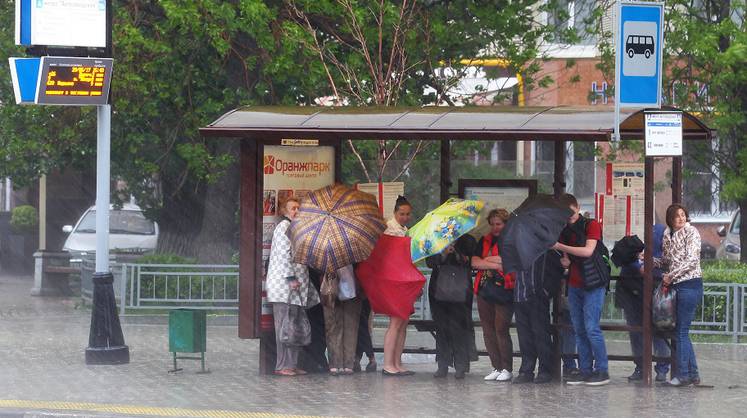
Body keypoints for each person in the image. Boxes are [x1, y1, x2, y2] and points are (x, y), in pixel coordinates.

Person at [553, 194, 610, 386]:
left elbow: (588, 251)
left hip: (594, 283)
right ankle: (585, 370)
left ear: (577, 207)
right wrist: (565, 258)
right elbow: (567, 257)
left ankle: (602, 370)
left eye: (571, 211)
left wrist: (561, 246)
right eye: (564, 213)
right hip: (575, 283)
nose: (568, 215)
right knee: (579, 329)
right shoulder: (564, 229)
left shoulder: (591, 224)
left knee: (592, 327)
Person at [265, 196, 321, 376]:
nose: (296, 211)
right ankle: (283, 365)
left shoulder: (296, 229)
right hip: (285, 288)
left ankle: (293, 364)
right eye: (293, 208)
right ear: (284, 211)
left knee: (295, 326)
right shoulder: (283, 228)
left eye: (298, 208)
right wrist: (290, 278)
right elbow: (283, 256)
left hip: (298, 289)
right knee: (284, 326)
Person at [654, 204, 703, 387]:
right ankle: (693, 375)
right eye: (677, 216)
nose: (681, 218)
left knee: (681, 331)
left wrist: (670, 276)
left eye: (683, 215)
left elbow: (692, 260)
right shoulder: (668, 234)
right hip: (676, 286)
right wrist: (650, 260)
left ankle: (683, 375)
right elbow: (668, 260)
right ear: (670, 219)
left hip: (690, 284)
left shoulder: (692, 232)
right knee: (681, 331)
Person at [615, 223, 670, 382]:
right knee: (641, 330)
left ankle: (657, 368)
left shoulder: (661, 230)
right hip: (635, 288)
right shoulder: (632, 226)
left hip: (652, 286)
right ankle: (646, 367)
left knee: (656, 330)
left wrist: (647, 263)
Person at [426, 234, 477, 379]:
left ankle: (460, 365)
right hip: (439, 288)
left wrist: (457, 252)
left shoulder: (468, 240)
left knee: (460, 328)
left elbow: (471, 261)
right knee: (442, 328)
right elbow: (429, 262)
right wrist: (443, 254)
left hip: (461, 289)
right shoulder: (436, 239)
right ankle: (443, 364)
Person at [472, 208, 514, 382]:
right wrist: (493, 262)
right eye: (493, 224)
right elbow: (474, 262)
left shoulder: (512, 240)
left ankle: (507, 368)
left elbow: (507, 262)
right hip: (485, 288)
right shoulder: (484, 240)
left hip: (505, 288)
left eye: (499, 224)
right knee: (488, 330)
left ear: (506, 224)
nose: (495, 228)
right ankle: (496, 366)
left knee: (501, 328)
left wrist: (487, 261)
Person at [512, 249, 563, 384]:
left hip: (537, 297)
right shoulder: (517, 250)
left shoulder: (546, 250)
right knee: (524, 337)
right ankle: (526, 370)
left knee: (541, 334)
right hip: (519, 295)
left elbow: (556, 272)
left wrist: (545, 292)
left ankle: (545, 370)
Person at [382, 196, 415, 376]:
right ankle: (388, 363)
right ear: (395, 213)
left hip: (404, 279)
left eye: (408, 214)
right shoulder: (389, 229)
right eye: (401, 214)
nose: (405, 217)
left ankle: (397, 361)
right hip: (394, 279)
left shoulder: (405, 230)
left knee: (403, 323)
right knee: (395, 323)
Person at [320, 266, 362, 375]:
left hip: (352, 289)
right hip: (331, 290)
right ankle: (336, 364)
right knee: (333, 327)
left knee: (349, 328)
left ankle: (347, 364)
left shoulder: (355, 253)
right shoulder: (325, 253)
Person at [353, 296, 377, 373]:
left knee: (361, 322)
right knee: (362, 322)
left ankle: (363, 357)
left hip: (362, 291)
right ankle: (362, 357)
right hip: (366, 291)